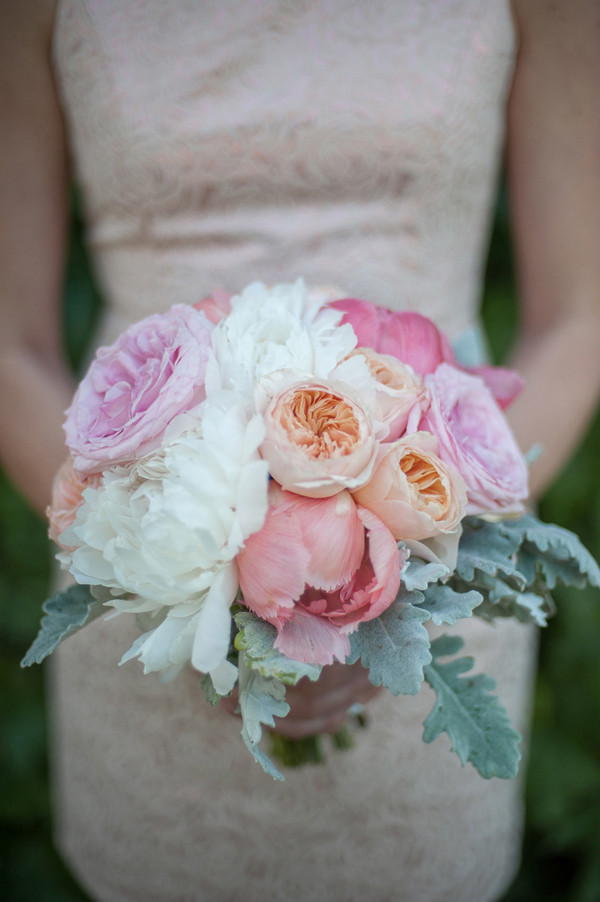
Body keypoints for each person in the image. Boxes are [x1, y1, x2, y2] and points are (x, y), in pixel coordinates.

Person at [1, 1, 598, 899]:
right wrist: (157, 568)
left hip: (434, 569)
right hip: (151, 569)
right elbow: (10, 341)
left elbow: (581, 317)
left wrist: (410, 559)